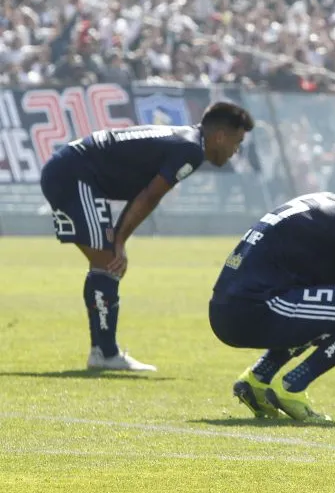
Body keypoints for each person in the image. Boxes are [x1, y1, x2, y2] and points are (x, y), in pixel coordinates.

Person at [39, 101, 254, 372]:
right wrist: (119, 242)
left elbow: (143, 193)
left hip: (74, 171)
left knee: (105, 265)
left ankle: (103, 352)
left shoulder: (187, 141)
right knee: (108, 264)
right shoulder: (190, 150)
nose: (235, 151)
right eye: (237, 142)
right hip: (73, 174)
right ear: (220, 135)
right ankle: (104, 354)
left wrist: (118, 239)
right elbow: (150, 196)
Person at [208, 192, 335, 423]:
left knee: (327, 309)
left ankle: (257, 380)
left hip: (225, 308)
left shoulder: (332, 209)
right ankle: (292, 386)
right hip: (255, 307)